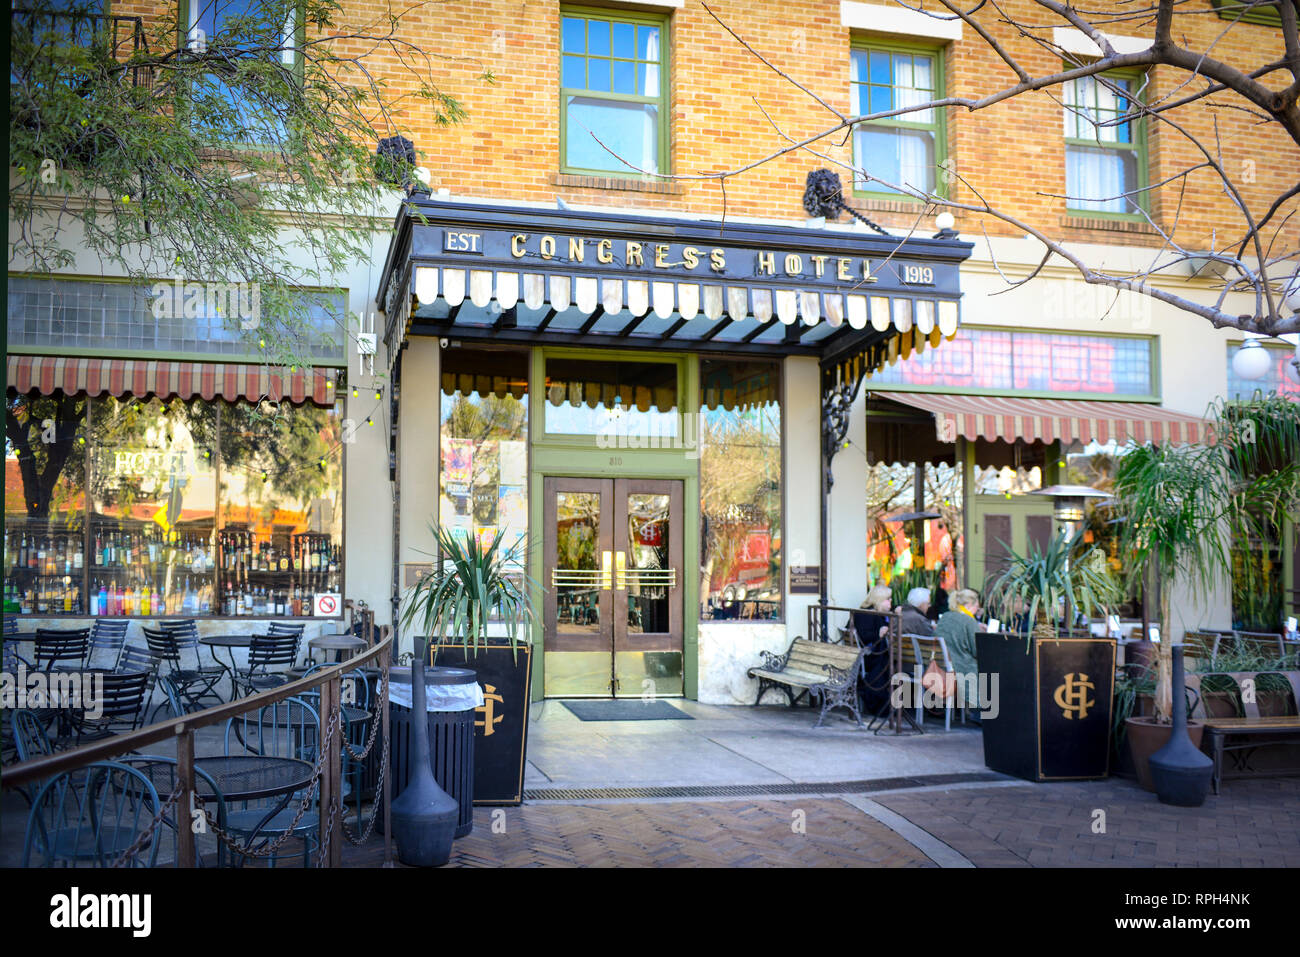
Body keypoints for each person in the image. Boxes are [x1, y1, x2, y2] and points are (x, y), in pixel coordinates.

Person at [853, 585, 893, 715]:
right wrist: (879, 633)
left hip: (864, 659)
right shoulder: (869, 614)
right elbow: (865, 636)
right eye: (888, 599)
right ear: (879, 600)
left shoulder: (867, 612)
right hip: (870, 659)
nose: (891, 602)